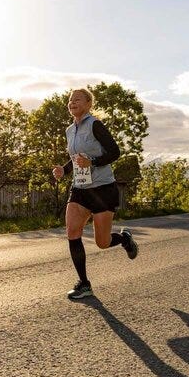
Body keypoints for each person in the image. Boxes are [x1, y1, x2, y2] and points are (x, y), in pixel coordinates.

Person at [52, 88, 138, 300]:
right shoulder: (69, 130)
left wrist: (94, 162)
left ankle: (125, 239)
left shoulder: (95, 125)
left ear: (89, 103)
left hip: (102, 189)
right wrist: (65, 169)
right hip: (80, 188)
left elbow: (114, 152)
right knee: (72, 231)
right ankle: (84, 284)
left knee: (102, 242)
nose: (72, 103)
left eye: (77, 99)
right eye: (70, 100)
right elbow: (76, 158)